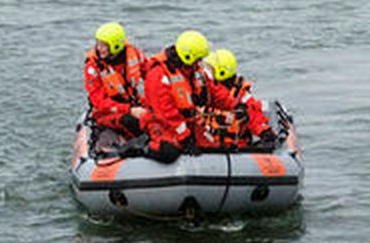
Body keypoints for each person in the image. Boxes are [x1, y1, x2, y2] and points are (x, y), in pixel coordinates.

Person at [140, 30, 213, 163]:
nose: (200, 62)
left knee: (213, 144)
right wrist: (185, 137)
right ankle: (142, 147)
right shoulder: (159, 74)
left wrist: (235, 105)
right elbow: (166, 113)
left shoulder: (194, 71)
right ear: (188, 57)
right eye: (198, 59)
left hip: (189, 122)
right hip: (162, 124)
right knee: (169, 151)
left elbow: (214, 92)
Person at [197, 48, 277, 151]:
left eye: (210, 69)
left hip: (234, 145)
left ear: (221, 72)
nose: (206, 71)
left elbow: (253, 114)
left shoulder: (240, 94)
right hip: (207, 140)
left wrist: (264, 132)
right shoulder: (206, 89)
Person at [82, 21, 149, 138]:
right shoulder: (93, 66)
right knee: (132, 122)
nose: (99, 48)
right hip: (106, 112)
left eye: (104, 45)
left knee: (158, 117)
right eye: (98, 44)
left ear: (115, 45)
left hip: (132, 102)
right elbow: (99, 102)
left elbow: (150, 74)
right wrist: (129, 110)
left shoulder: (132, 53)